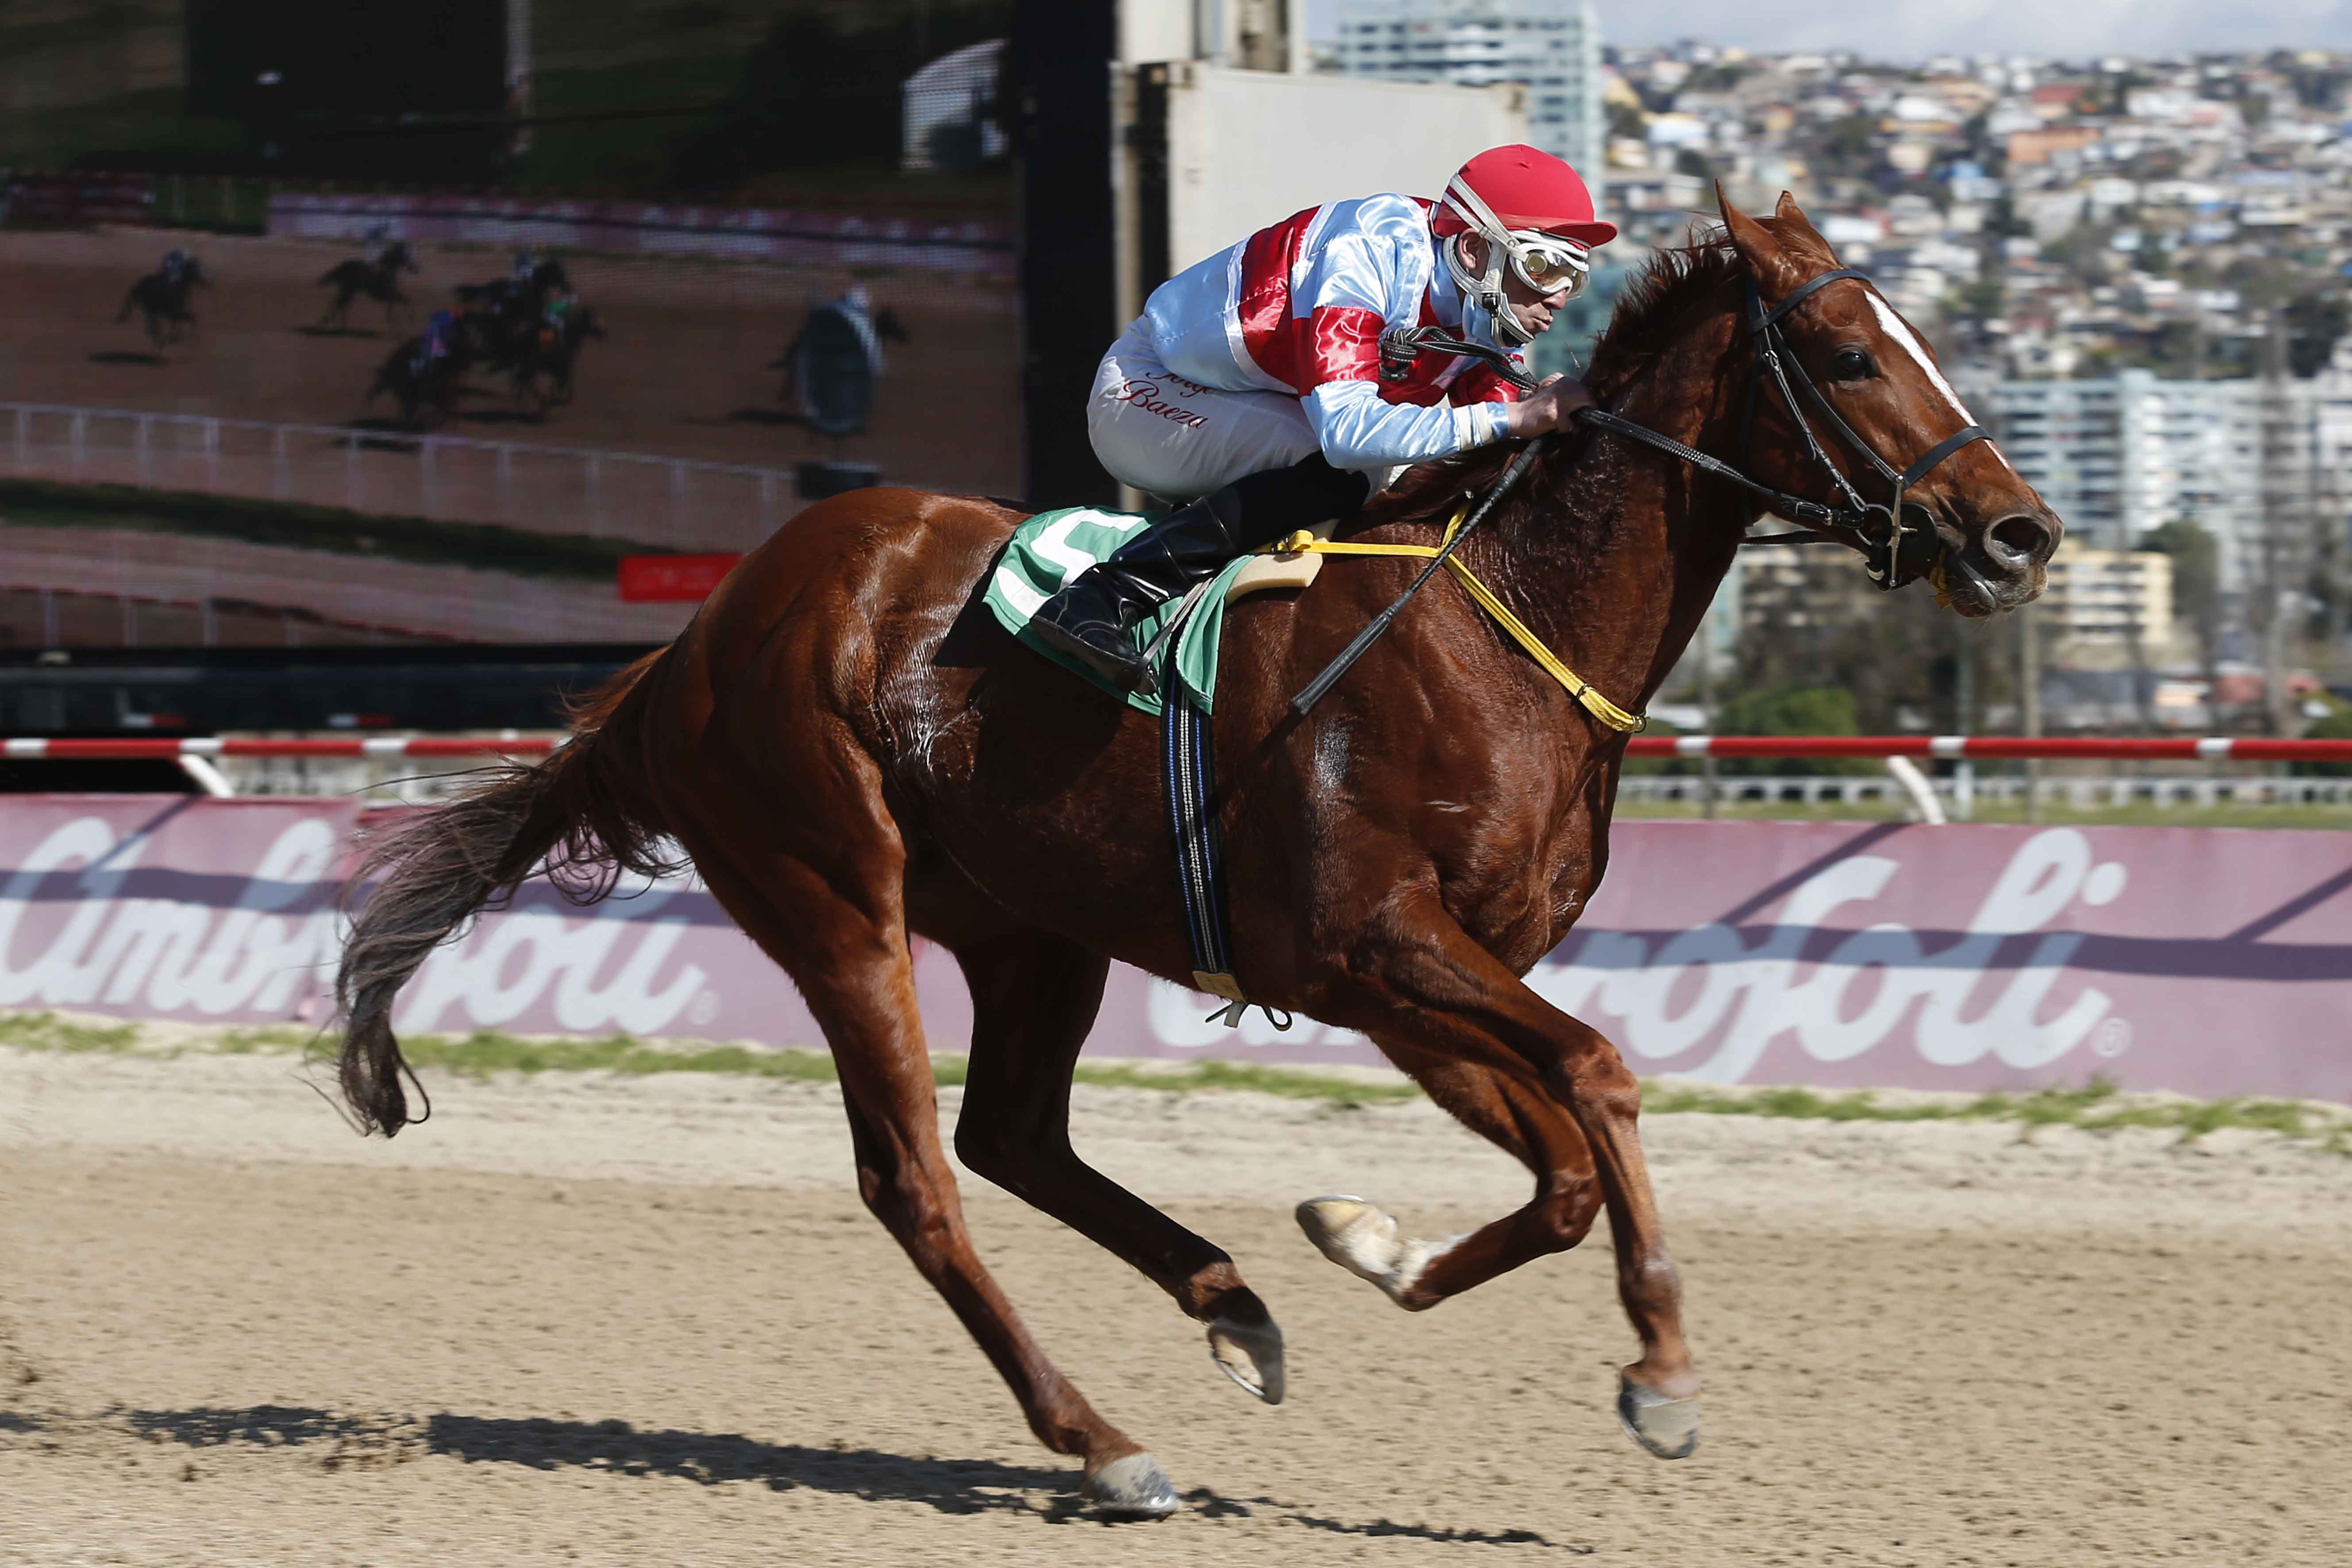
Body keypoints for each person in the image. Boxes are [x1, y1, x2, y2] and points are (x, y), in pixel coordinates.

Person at [1030, 145, 1616, 694]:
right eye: (1543, 267)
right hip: (1144, 392)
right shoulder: (1364, 253)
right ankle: (1102, 598)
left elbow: (1502, 437)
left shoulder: (1483, 304)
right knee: (1357, 471)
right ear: (1473, 250)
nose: (1559, 298)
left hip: (1246, 406)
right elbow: (1350, 436)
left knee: (1410, 472)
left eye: (1575, 277)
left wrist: (1540, 419)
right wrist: (1513, 417)